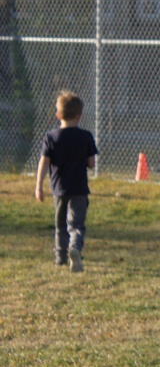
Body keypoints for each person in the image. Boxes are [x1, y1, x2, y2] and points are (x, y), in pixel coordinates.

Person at [34, 91, 98, 273]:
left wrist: (39, 186)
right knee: (76, 224)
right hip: (79, 189)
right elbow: (91, 163)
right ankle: (75, 248)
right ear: (79, 115)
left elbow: (44, 163)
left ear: (58, 115)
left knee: (60, 225)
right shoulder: (86, 136)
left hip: (59, 189)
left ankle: (60, 258)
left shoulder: (51, 137)